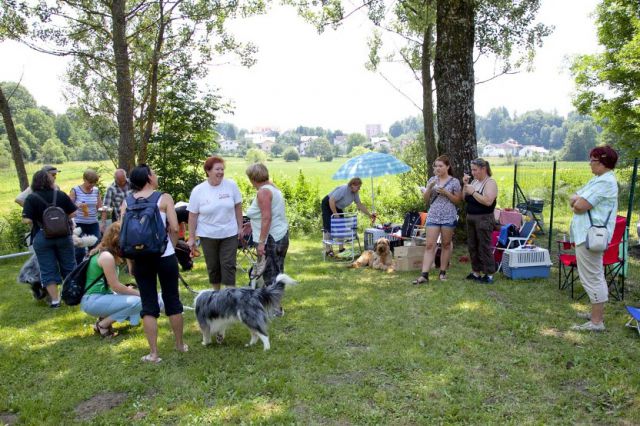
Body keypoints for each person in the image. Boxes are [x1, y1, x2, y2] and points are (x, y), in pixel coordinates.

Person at [121, 164, 186, 363]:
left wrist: (130, 262)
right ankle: (179, 345)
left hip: (140, 258)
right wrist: (171, 248)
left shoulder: (127, 202)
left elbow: (124, 236)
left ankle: (153, 353)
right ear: (149, 177)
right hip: (164, 256)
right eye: (154, 173)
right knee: (172, 300)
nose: (156, 176)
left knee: (148, 304)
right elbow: (175, 228)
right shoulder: (164, 198)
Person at [569, 146, 619, 332]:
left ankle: (597, 322)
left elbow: (579, 204)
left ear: (603, 162)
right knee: (591, 275)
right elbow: (573, 197)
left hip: (591, 236)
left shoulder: (605, 182)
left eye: (593, 160)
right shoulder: (598, 179)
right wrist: (576, 201)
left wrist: (577, 202)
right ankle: (595, 314)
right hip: (586, 234)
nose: (590, 163)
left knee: (593, 277)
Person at [21, 170, 77, 308]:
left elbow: (26, 220)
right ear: (50, 181)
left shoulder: (32, 198)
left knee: (47, 268)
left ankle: (55, 301)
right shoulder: (60, 195)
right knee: (69, 266)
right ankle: (72, 296)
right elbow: (74, 212)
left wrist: (40, 220)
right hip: (64, 236)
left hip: (42, 236)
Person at [187, 156, 243, 290]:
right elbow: (193, 215)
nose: (221, 172)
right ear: (208, 171)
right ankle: (217, 295)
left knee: (228, 265)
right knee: (213, 267)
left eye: (222, 169)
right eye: (217, 169)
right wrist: (191, 237)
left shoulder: (231, 185)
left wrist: (240, 227)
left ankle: (230, 297)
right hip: (208, 234)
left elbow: (238, 206)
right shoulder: (198, 190)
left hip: (229, 233)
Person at [80, 222, 142, 338]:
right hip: (93, 300)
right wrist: (141, 294)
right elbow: (115, 286)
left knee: (135, 306)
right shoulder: (106, 257)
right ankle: (103, 325)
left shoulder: (104, 253)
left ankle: (102, 319)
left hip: (96, 297)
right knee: (139, 302)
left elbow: (110, 285)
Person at [413, 155, 462, 284]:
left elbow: (458, 200)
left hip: (448, 216)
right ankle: (424, 275)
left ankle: (442, 272)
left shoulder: (454, 182)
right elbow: (426, 199)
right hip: (433, 215)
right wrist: (429, 188)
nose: (438, 168)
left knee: (446, 244)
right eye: (436, 166)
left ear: (447, 167)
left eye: (441, 166)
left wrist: (446, 193)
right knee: (430, 245)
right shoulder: (432, 180)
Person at [245, 163, 289, 287]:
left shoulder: (263, 192)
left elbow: (267, 218)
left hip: (271, 238)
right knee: (276, 272)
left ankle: (276, 306)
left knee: (271, 276)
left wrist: (261, 243)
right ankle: (275, 304)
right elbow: (269, 214)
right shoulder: (272, 188)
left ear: (253, 178)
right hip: (279, 235)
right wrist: (251, 223)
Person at [462, 158, 498, 284]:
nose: (473, 172)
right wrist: (465, 185)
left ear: (484, 169)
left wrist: (474, 192)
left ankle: (489, 274)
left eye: (475, 170)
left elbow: (488, 201)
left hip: (484, 218)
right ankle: (476, 272)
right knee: (472, 246)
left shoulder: (490, 183)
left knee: (484, 246)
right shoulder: (474, 182)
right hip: (471, 217)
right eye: (472, 170)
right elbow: (464, 197)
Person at [322, 177, 376, 257]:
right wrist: (335, 214)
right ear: (352, 185)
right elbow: (331, 200)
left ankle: (341, 249)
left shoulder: (355, 193)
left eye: (360, 187)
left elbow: (359, 205)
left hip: (337, 206)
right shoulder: (343, 189)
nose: (359, 189)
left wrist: (369, 214)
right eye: (358, 187)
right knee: (328, 226)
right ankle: (328, 250)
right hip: (327, 204)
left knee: (341, 226)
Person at [70, 169, 103, 264]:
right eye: (90, 183)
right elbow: (68, 208)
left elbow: (100, 207)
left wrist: (103, 219)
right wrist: (77, 205)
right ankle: (78, 271)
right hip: (79, 224)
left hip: (93, 223)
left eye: (94, 183)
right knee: (79, 251)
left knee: (96, 248)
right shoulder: (75, 190)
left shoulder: (96, 191)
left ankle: (92, 269)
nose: (91, 185)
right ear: (84, 179)